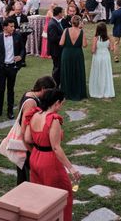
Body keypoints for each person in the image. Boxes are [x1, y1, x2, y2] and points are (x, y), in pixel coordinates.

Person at [24, 89, 80, 221]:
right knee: (63, 195)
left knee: (41, 196)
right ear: (56, 103)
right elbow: (56, 147)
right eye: (62, 104)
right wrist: (71, 168)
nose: (61, 107)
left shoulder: (34, 114)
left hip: (35, 158)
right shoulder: (53, 120)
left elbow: (27, 139)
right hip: (49, 162)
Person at [17, 75, 57, 185]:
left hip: (28, 146)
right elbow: (24, 131)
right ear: (43, 88)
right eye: (50, 91)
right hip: (26, 147)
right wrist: (32, 151)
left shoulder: (29, 94)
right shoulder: (31, 102)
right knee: (27, 179)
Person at [0, 19, 25, 120]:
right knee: (1, 90)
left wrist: (20, 56)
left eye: (14, 26)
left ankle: (10, 111)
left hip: (12, 67)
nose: (13, 28)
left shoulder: (17, 36)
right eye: (11, 26)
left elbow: (23, 49)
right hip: (1, 68)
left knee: (11, 90)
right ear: (5, 27)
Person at [59, 15, 88, 101]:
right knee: (77, 72)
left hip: (67, 53)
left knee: (67, 71)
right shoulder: (81, 32)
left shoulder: (66, 30)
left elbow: (61, 43)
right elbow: (85, 45)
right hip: (77, 53)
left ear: (71, 22)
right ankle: (78, 92)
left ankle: (67, 92)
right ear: (79, 23)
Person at [89, 22, 115, 99]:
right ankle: (106, 90)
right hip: (106, 56)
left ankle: (97, 90)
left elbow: (93, 50)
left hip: (97, 57)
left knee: (97, 72)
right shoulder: (109, 38)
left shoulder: (96, 38)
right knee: (106, 72)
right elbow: (112, 49)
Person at [48, 7, 65, 85]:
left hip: (58, 50)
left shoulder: (56, 22)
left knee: (59, 68)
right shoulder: (52, 24)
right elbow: (53, 38)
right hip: (55, 50)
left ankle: (58, 83)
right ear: (59, 14)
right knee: (57, 68)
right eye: (62, 12)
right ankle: (55, 84)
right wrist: (64, 36)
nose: (63, 13)